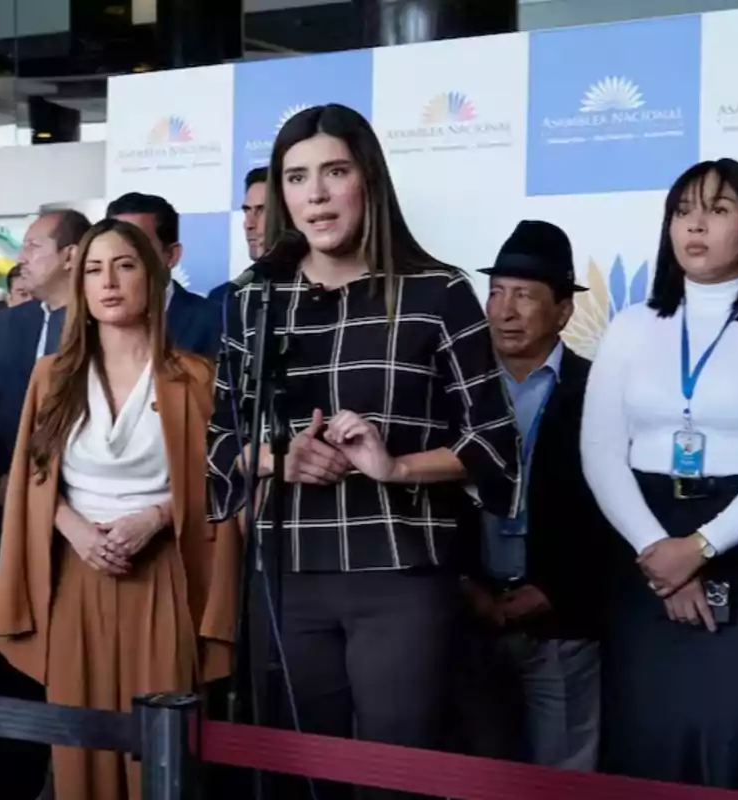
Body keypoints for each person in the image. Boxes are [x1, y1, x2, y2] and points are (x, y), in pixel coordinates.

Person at [207, 104, 520, 800]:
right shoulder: (252, 302)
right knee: (299, 781)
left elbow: (496, 444)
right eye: (296, 177)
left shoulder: (439, 295)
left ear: (368, 180)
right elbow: (221, 441)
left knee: (396, 780)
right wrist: (279, 458)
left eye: (334, 171)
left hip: (402, 576)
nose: (315, 194)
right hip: (286, 574)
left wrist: (396, 466)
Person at [581, 158, 738, 795]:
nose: (696, 224)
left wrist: (699, 549)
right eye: (683, 210)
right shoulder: (632, 326)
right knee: (648, 741)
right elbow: (602, 453)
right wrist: (658, 555)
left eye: (718, 210)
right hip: (646, 547)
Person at [0, 219, 237, 800]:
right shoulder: (50, 378)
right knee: (83, 748)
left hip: (164, 574)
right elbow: (32, 479)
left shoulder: (195, 377)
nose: (108, 282)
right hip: (78, 575)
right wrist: (76, 530)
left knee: (163, 750)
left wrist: (153, 518)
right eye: (94, 269)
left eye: (124, 266)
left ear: (152, 278)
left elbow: (221, 484)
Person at [0, 207, 90, 799]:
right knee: (5, 669)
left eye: (33, 245)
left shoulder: (100, 324)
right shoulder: (5, 325)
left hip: (77, 525)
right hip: (4, 523)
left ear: (70, 255)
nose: (21, 256)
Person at [460, 220, 606, 770]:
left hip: (562, 624)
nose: (505, 310)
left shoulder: (599, 388)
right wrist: (466, 587)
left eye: (524, 295)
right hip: (470, 615)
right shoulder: (458, 389)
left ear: (564, 311)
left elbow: (609, 514)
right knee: (474, 773)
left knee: (565, 777)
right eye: (496, 292)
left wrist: (554, 590)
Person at [107, 192, 220, 358]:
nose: (124, 255)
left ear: (172, 255)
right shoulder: (76, 322)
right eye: (115, 243)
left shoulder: (214, 322)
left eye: (138, 244)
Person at [208, 167, 269, 309]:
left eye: (261, 210)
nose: (249, 224)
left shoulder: (316, 289)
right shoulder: (224, 297)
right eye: (247, 211)